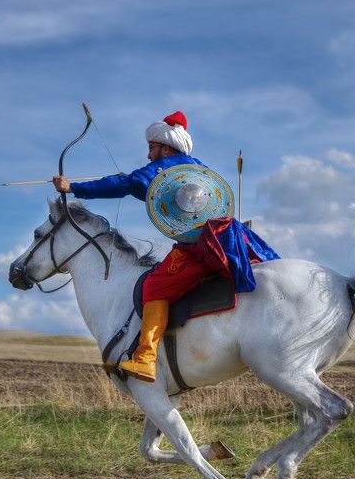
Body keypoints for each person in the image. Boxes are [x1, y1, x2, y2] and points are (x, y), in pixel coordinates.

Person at [53, 111, 278, 383]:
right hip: (228, 238)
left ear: (166, 147)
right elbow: (143, 185)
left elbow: (129, 183)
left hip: (199, 247)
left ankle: (146, 358)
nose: (149, 156)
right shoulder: (196, 166)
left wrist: (73, 188)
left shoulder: (162, 168)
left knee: (153, 286)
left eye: (151, 148)